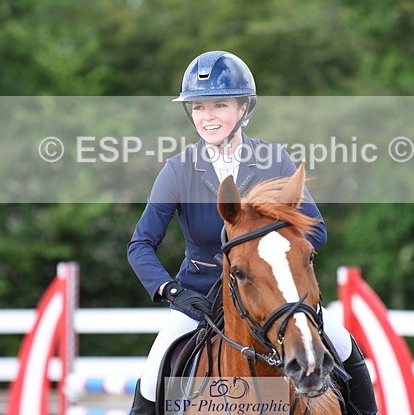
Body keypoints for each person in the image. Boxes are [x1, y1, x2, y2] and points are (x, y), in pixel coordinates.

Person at [126, 51, 378, 415]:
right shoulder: (178, 170)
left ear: (244, 108)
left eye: (219, 105)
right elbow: (140, 245)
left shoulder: (274, 161)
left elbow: (316, 232)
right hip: (198, 298)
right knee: (152, 377)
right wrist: (172, 291)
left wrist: (271, 234)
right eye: (198, 107)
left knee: (343, 346)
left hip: (274, 293)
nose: (207, 117)